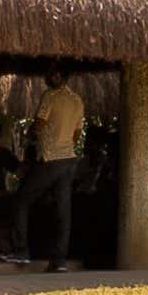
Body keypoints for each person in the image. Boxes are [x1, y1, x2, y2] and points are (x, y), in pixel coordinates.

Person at [20, 82, 87, 271]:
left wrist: (31, 137)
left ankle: (20, 250)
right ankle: (59, 260)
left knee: (21, 200)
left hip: (50, 158)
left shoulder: (50, 96)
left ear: (57, 74)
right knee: (63, 211)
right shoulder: (77, 100)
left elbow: (39, 124)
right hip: (68, 159)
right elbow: (77, 133)